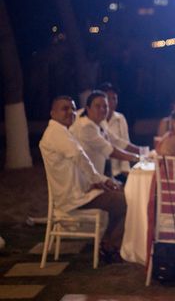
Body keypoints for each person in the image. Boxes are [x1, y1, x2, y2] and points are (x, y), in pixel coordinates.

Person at [40, 96, 127, 263]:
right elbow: (80, 157)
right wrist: (99, 180)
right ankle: (110, 246)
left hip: (80, 190)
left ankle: (108, 244)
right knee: (125, 202)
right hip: (73, 197)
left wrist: (102, 180)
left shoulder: (63, 132)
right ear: (53, 113)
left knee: (121, 192)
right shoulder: (56, 132)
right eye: (64, 109)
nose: (70, 112)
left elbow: (80, 166)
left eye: (72, 108)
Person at [70, 90, 139, 177]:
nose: (102, 109)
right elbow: (109, 150)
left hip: (98, 176)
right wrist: (137, 158)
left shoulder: (100, 123)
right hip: (85, 180)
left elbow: (117, 141)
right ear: (88, 109)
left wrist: (142, 152)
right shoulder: (86, 127)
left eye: (105, 106)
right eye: (97, 106)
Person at [99, 82, 141, 182]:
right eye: (108, 98)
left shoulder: (120, 118)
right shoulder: (95, 120)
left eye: (114, 98)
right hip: (100, 170)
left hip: (117, 171)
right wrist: (139, 154)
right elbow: (115, 142)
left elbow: (125, 142)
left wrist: (125, 171)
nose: (111, 102)